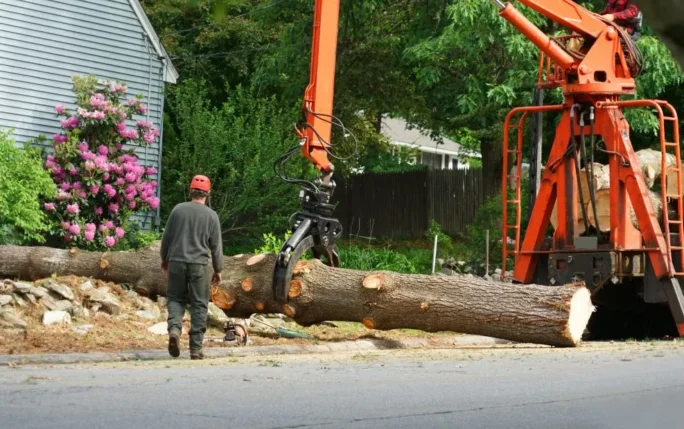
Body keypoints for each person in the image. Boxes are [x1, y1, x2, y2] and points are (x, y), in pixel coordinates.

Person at [160, 175, 223, 360]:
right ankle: (195, 349)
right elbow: (216, 246)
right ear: (208, 193)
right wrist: (218, 269)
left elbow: (167, 238)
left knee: (174, 299)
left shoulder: (177, 210)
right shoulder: (212, 216)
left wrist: (165, 258)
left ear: (191, 191)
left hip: (177, 262)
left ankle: (174, 330)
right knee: (199, 304)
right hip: (199, 265)